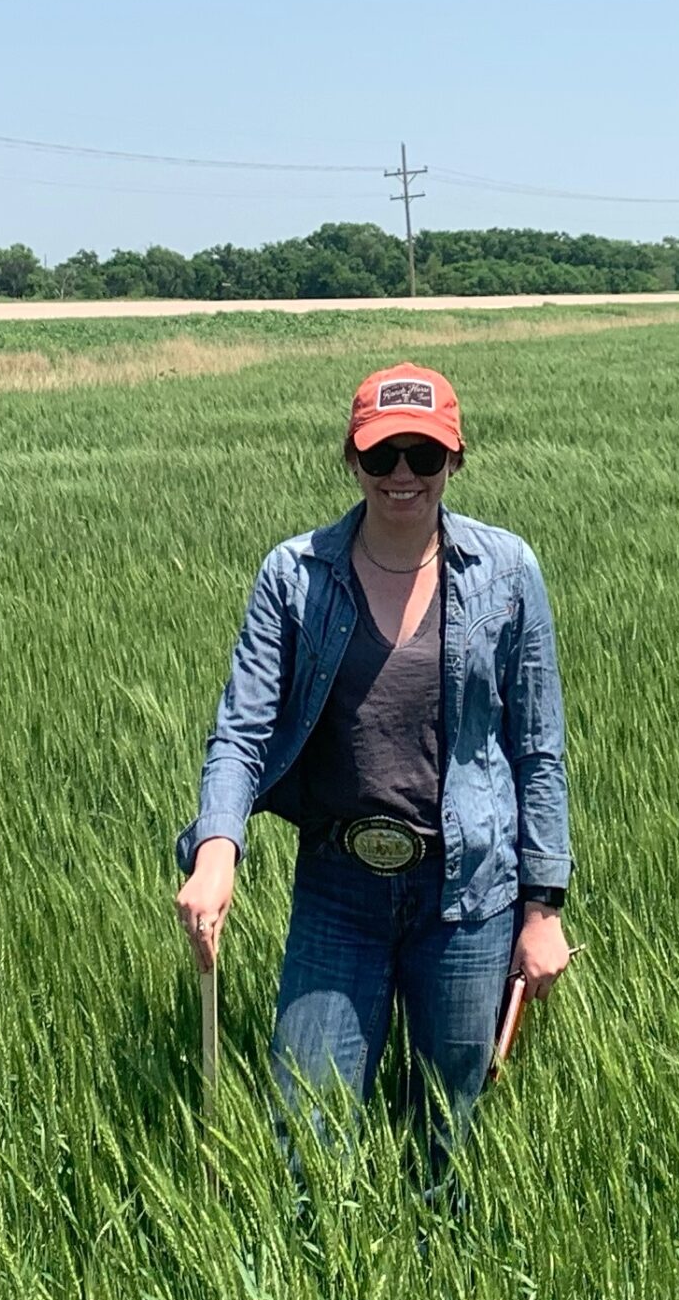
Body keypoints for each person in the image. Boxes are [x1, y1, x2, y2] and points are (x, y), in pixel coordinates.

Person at [172, 361, 572, 1187]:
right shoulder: (294, 576)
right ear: (350, 459)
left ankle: (444, 1285)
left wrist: (543, 907)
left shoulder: (507, 571)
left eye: (424, 456)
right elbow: (241, 732)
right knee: (306, 1124)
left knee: (451, 1128)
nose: (402, 475)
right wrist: (218, 849)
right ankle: (317, 1294)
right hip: (339, 888)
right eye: (383, 454)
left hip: (469, 894)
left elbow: (538, 747)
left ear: (454, 462)